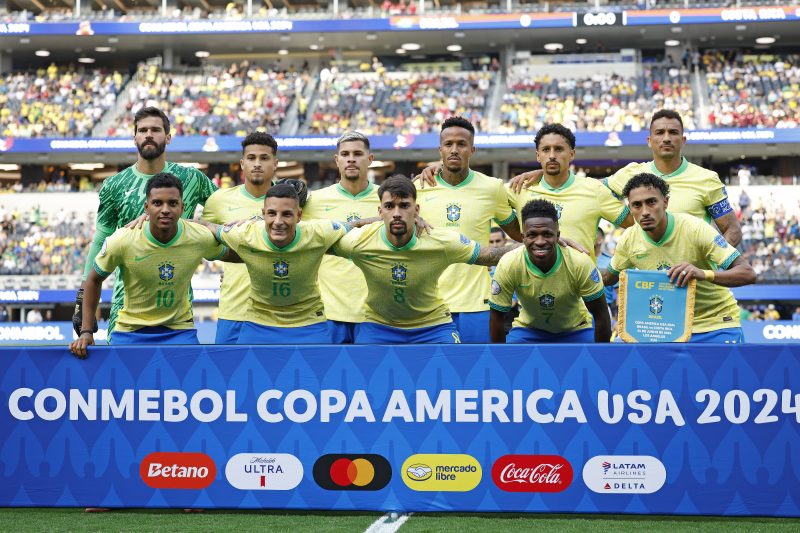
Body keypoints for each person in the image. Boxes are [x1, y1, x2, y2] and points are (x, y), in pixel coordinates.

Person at [73, 107, 217, 343]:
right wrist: (82, 298)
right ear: (135, 137)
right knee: (125, 378)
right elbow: (101, 239)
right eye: (143, 130)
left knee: (177, 379)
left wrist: (193, 224)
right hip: (125, 305)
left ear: (168, 137)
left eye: (156, 130)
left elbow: (226, 209)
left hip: (176, 309)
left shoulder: (192, 179)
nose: (149, 134)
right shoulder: (115, 185)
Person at [510, 110, 742, 247]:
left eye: (673, 133)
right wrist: (545, 171)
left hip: (693, 275)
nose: (666, 138)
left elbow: (732, 230)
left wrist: (713, 262)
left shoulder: (706, 178)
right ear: (649, 141)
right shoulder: (631, 173)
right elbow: (586, 187)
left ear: (683, 140)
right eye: (659, 133)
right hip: (648, 274)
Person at [333, 175, 517, 344]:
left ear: (417, 210)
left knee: (456, 375)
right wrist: (358, 223)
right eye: (389, 206)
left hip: (433, 327)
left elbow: (491, 256)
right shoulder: (359, 241)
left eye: (404, 205)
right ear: (380, 212)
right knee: (365, 377)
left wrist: (535, 247)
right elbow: (317, 244)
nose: (397, 213)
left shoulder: (439, 241)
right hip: (379, 326)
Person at [69, 174, 234, 358]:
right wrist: (86, 332)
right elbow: (93, 279)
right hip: (130, 332)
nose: (165, 210)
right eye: (157, 203)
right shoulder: (124, 239)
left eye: (172, 203)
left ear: (182, 207)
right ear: (146, 207)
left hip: (179, 332)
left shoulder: (199, 236)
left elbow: (235, 255)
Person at [602, 173, 756, 343]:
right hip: (667, 327)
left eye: (651, 202)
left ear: (665, 202)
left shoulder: (695, 228)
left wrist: (703, 274)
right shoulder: (629, 239)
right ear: (630, 208)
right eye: (637, 205)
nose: (645, 211)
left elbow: (748, 273)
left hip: (716, 325)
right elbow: (608, 278)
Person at [414, 116, 522, 343]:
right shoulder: (418, 188)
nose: (454, 150)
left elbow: (517, 233)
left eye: (461, 144)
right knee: (434, 375)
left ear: (472, 149)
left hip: (477, 304)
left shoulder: (492, 188)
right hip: (429, 305)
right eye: (448, 144)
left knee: (478, 374)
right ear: (440, 149)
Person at [201, 184, 351, 344]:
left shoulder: (319, 233)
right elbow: (209, 227)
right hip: (259, 323)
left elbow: (357, 225)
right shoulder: (245, 233)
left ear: (299, 215)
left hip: (309, 324)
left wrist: (380, 217)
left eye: (286, 214)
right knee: (243, 368)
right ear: (263, 214)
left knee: (320, 369)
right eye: (272, 214)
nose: (278, 222)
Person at [489, 199, 611, 344]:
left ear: (558, 235)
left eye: (547, 234)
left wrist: (600, 357)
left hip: (577, 330)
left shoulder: (580, 263)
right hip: (528, 331)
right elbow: (496, 317)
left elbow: (601, 314)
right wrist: (502, 358)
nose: (540, 241)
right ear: (523, 237)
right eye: (532, 235)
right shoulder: (509, 264)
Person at [507, 123, 633, 262]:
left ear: (572, 154)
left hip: (582, 281)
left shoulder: (594, 189)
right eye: (546, 149)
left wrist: (617, 265)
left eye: (559, 149)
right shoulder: (518, 188)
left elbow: (635, 225)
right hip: (533, 281)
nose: (552, 155)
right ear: (538, 156)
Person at [300, 131, 381, 344]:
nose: (351, 158)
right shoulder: (315, 201)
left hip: (376, 314)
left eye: (358, 153)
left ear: (370, 159)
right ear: (337, 160)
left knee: (372, 375)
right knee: (329, 376)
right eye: (345, 154)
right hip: (329, 313)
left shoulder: (388, 200)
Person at [200, 132, 279, 344]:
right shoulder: (219, 200)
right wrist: (232, 255)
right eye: (251, 158)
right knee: (229, 376)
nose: (257, 164)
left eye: (264, 158)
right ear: (242, 163)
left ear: (276, 163)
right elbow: (206, 245)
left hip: (281, 313)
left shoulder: (291, 202)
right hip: (235, 311)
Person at [594, 227, 617, 311]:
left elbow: (619, 291)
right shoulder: (580, 259)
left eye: (591, 234)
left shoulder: (611, 262)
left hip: (606, 308)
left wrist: (617, 315)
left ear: (600, 239)